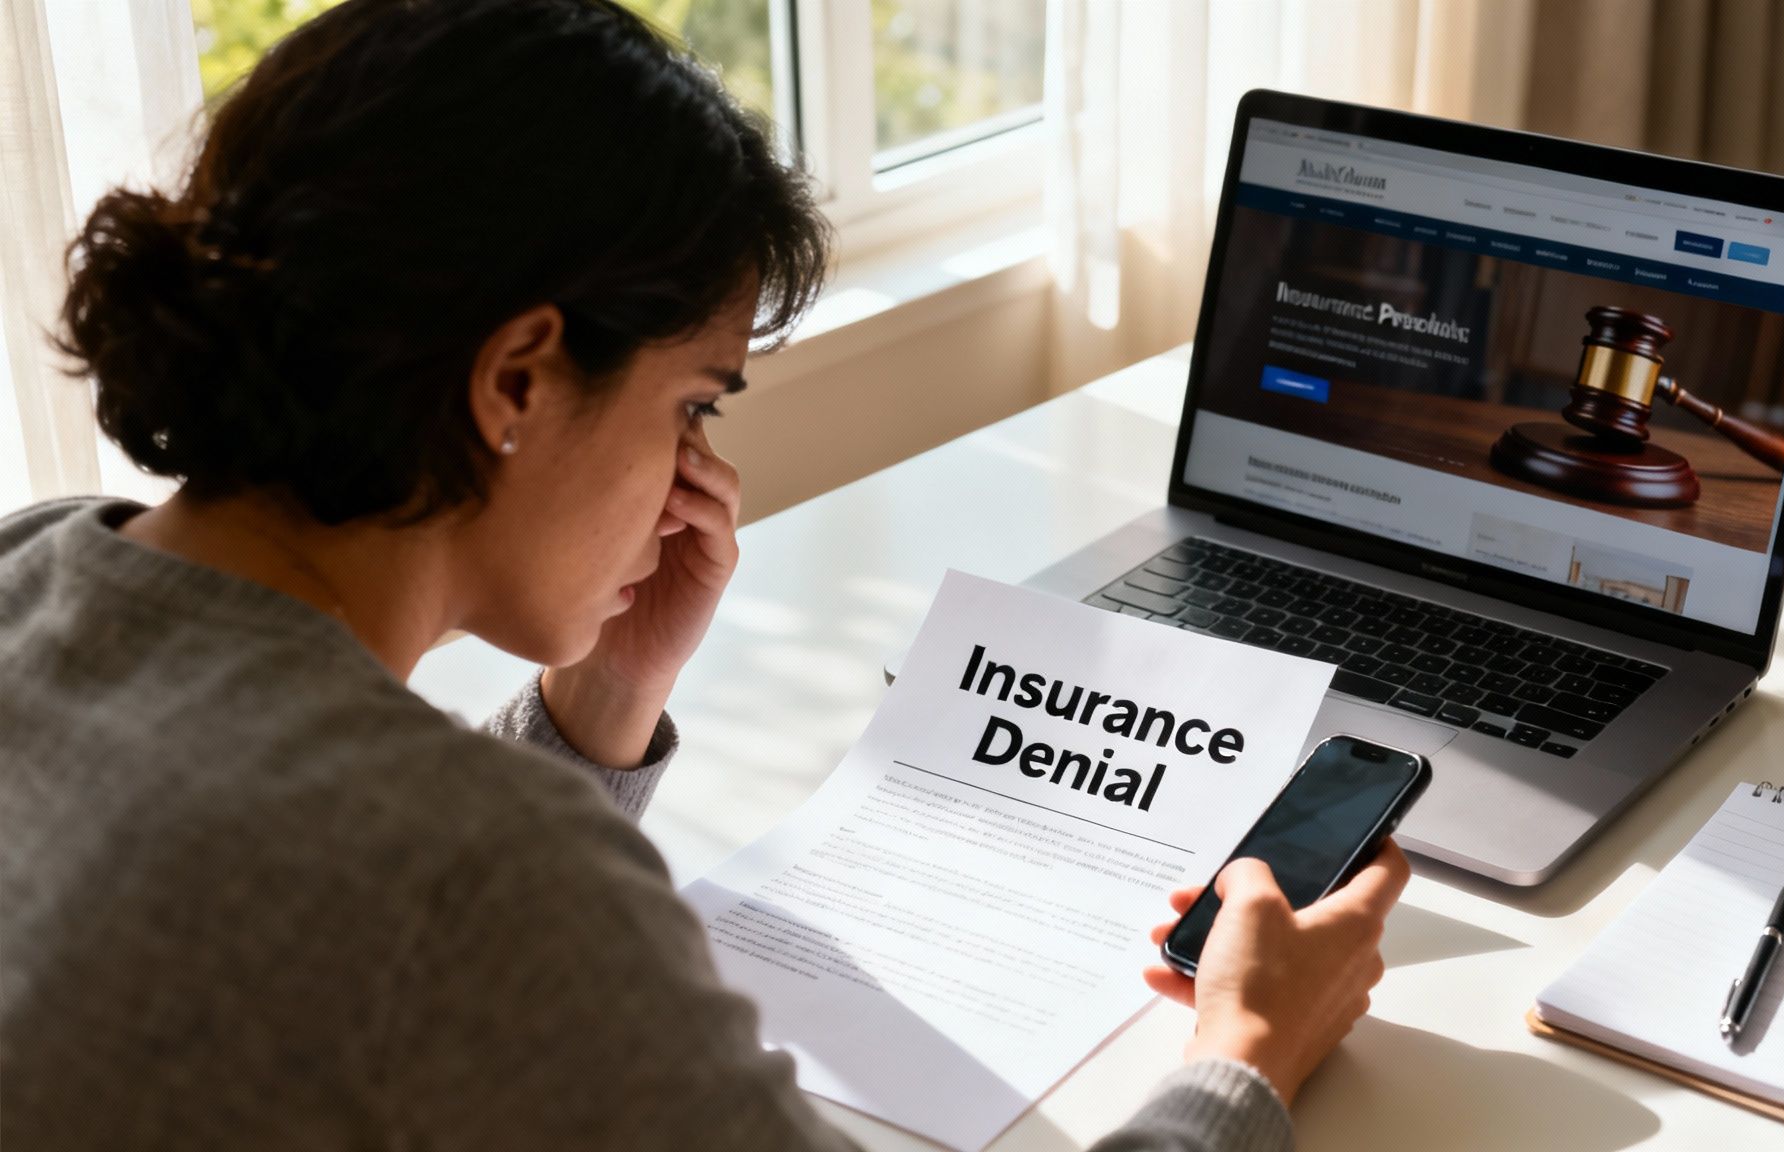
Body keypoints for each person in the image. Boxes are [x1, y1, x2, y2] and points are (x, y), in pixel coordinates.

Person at [0, 1, 1409, 1148]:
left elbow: (361, 921)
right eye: (694, 402)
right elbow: (437, 898)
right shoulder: (493, 881)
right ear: (516, 376)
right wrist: (1246, 1055)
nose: (693, 475)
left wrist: (596, 704)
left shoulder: (37, 559)